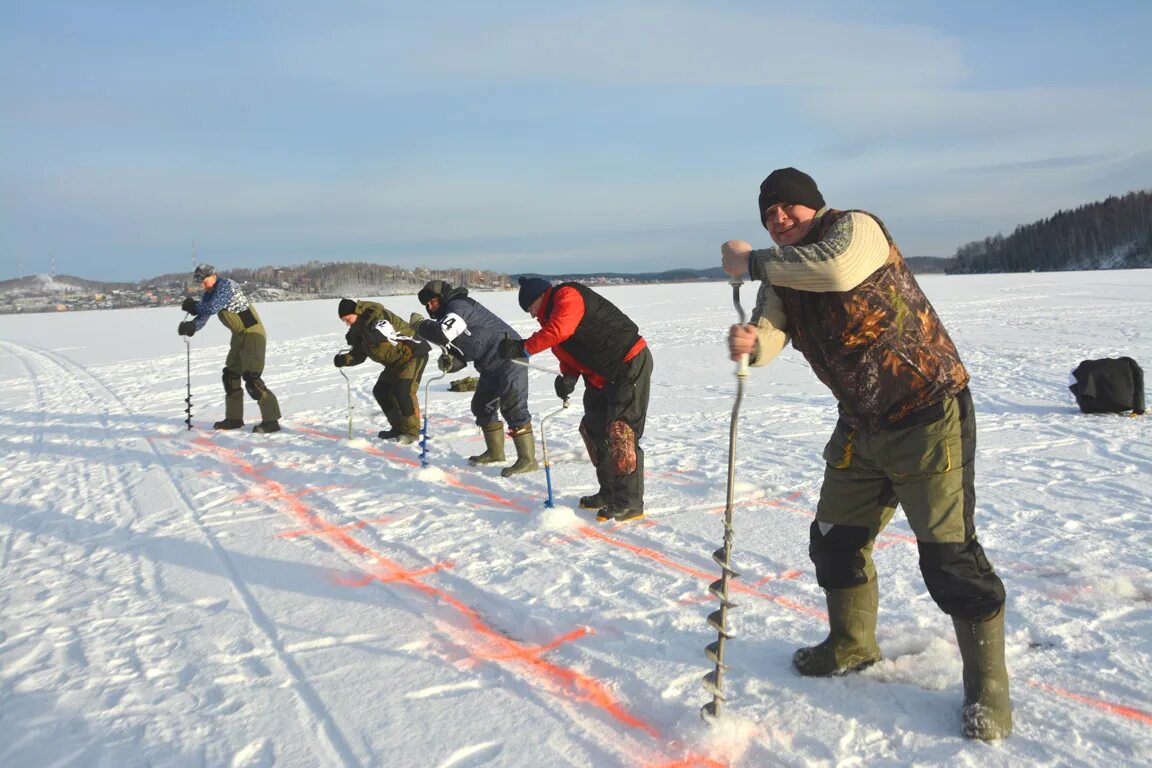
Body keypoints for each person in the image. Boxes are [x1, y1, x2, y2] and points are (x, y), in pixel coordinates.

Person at [720, 167, 1011, 740]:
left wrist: (751, 260)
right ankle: (851, 645)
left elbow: (836, 270)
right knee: (834, 541)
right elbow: (774, 327)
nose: (778, 219)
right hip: (862, 423)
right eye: (768, 214)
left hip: (928, 411)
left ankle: (988, 690)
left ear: (814, 206)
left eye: (787, 208)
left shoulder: (855, 230)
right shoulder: (781, 276)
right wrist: (755, 345)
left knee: (949, 558)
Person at [499, 276, 653, 522]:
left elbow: (561, 330)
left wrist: (522, 348)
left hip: (628, 363)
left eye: (530, 308)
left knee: (621, 432)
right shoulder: (550, 319)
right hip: (599, 376)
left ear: (540, 298)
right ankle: (609, 491)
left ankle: (629, 502)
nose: (531, 314)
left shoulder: (567, 295)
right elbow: (565, 351)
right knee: (593, 430)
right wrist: (567, 378)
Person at [415, 280, 538, 476]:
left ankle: (528, 460)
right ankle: (495, 452)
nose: (430, 307)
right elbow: (463, 355)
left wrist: (421, 326)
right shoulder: (449, 316)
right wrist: (449, 363)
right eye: (427, 305)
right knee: (481, 405)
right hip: (490, 365)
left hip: (510, 358)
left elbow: (441, 333)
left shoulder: (459, 306)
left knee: (514, 407)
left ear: (443, 297)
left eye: (433, 302)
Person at [178, 263, 282, 433]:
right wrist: (192, 327)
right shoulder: (208, 294)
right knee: (230, 375)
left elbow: (213, 307)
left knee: (252, 379)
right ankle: (234, 419)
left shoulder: (227, 286)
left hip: (253, 334)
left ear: (214, 275)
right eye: (200, 282)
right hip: (239, 336)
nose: (202, 284)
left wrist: (194, 306)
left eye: (204, 280)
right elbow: (204, 316)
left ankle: (272, 421)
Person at [333, 298, 428, 444]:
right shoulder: (359, 330)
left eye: (347, 319)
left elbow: (385, 330)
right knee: (381, 390)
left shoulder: (378, 316)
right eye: (344, 321)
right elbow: (359, 355)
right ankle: (398, 428)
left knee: (403, 390)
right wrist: (344, 359)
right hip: (396, 362)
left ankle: (411, 432)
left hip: (414, 354)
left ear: (356, 312)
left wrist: (371, 334)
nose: (347, 323)